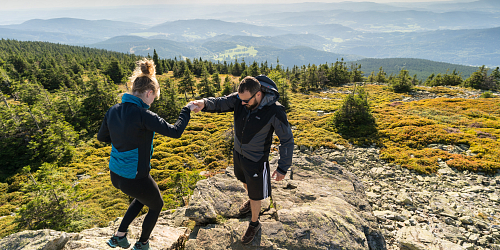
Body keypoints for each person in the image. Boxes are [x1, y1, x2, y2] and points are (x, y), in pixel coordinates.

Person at [97, 58, 194, 250]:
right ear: (149, 93)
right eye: (154, 97)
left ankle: (119, 236)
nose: (152, 102)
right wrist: (186, 110)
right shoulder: (144, 115)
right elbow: (175, 132)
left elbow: (102, 137)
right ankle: (142, 244)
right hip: (134, 176)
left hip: (115, 174)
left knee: (142, 197)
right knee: (156, 204)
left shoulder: (113, 110)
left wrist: (124, 142)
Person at [190, 75, 294, 244]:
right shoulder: (241, 99)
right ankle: (252, 198)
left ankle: (254, 223)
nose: (242, 103)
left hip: (256, 160)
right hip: (238, 154)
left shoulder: (275, 111)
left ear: (258, 94)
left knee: (255, 193)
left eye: (246, 101)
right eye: (240, 99)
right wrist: (204, 103)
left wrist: (283, 167)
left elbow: (287, 140)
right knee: (242, 180)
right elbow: (221, 102)